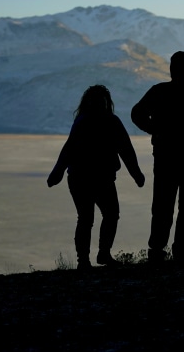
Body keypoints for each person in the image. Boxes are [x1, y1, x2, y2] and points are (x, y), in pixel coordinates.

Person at [47, 84, 146, 271]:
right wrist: (57, 172)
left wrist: (136, 173)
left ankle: (95, 256)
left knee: (100, 216)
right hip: (87, 178)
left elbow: (125, 150)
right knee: (93, 217)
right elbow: (70, 149)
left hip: (93, 178)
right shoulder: (96, 121)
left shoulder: (96, 121)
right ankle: (89, 258)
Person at [131, 51, 184, 263]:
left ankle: (164, 250)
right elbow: (137, 113)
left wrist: (155, 130)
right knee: (174, 206)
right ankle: (173, 250)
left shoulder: (163, 91)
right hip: (182, 158)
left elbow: (137, 113)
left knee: (170, 205)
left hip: (175, 157)